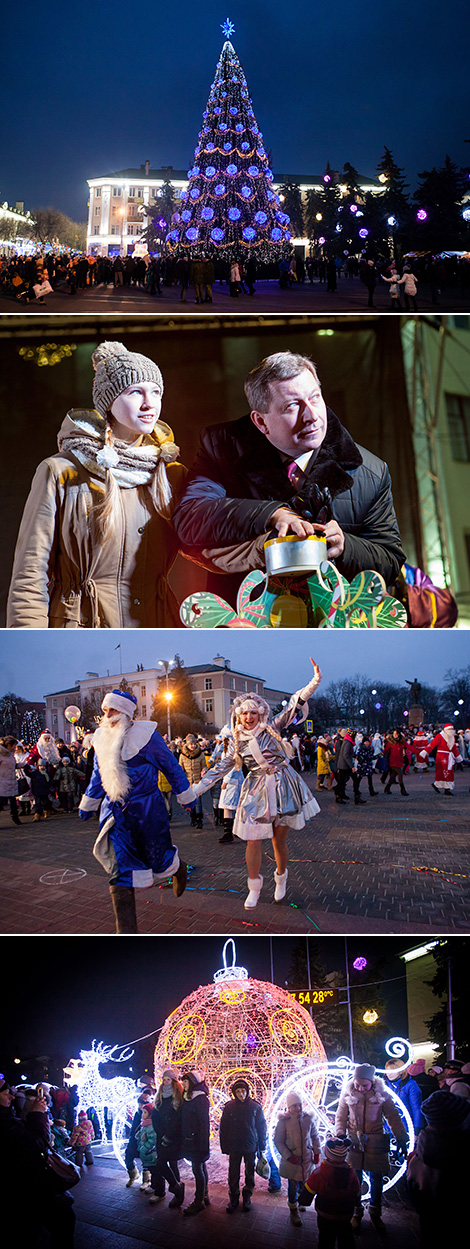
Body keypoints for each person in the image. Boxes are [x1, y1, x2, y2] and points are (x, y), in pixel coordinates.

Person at [173, 351, 405, 609]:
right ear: (261, 422)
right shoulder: (221, 447)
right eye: (292, 406)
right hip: (247, 623)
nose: (312, 416)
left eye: (315, 398)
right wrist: (272, 514)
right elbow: (190, 518)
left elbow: (390, 559)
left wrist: (346, 547)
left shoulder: (371, 471)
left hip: (334, 626)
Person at [7, 340, 187, 628]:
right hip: (79, 627)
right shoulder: (62, 471)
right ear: (109, 403)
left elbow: (210, 544)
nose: (148, 403)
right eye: (134, 392)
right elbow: (31, 572)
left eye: (156, 392)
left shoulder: (171, 474)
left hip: (157, 624)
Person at [191, 661, 322, 908]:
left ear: (260, 713)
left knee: (278, 841)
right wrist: (195, 790)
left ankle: (281, 879)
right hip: (255, 790)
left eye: (253, 713)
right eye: (245, 713)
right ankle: (254, 887)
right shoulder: (236, 740)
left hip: (283, 786)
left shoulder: (272, 727)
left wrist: (314, 681)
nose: (249, 717)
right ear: (238, 715)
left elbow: (295, 702)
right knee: (253, 840)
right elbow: (220, 767)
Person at [78, 689, 196, 933]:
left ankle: (177, 867)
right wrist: (88, 802)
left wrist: (186, 796)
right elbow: (98, 775)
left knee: (156, 858)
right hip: (115, 812)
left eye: (114, 710)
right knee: (120, 869)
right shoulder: (101, 738)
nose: (108, 715)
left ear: (127, 713)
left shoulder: (147, 736)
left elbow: (171, 767)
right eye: (106, 710)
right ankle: (127, 930)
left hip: (147, 809)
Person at [0, 1078, 76, 1249]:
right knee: (60, 1224)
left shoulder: (8, 1119)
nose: (11, 1098)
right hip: (28, 1188)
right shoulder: (5, 1123)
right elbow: (36, 1143)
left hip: (28, 1188)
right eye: (6, 1094)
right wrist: (37, 1115)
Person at [335, 1062, 408, 1235]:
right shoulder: (348, 1093)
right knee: (355, 1180)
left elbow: (393, 1116)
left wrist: (401, 1138)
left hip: (375, 1143)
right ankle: (356, 1212)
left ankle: (375, 1213)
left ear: (372, 1082)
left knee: (376, 1179)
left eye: (364, 1085)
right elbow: (340, 1116)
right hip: (354, 1143)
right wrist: (340, 1134)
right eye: (357, 1084)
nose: (360, 1088)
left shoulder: (381, 1094)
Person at [406, 1089, 470, 1249]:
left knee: (428, 1232)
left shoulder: (425, 1140)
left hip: (424, 1197)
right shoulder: (456, 1144)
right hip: (445, 1201)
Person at [299, 1136, 360, 1248]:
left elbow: (309, 1190)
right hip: (346, 1212)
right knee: (346, 1238)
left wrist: (303, 1200)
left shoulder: (319, 1173)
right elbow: (356, 1191)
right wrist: (356, 1203)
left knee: (325, 1238)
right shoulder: (352, 1174)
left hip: (325, 1212)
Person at [219, 1077, 267, 1213]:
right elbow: (224, 1127)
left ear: (247, 1091)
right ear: (234, 1093)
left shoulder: (255, 1107)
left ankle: (247, 1196)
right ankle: (233, 1198)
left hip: (250, 1146)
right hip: (234, 1146)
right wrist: (225, 1146)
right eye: (238, 1091)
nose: (241, 1094)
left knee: (249, 1173)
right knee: (233, 1174)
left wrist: (262, 1146)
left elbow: (261, 1128)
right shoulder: (229, 1107)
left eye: (243, 1091)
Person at [274, 1089, 321, 1226]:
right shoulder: (284, 1122)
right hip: (292, 1161)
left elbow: (315, 1136)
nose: (298, 1108)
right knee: (292, 1185)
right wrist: (289, 1156)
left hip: (306, 1159)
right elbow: (278, 1141)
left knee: (304, 1182)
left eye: (299, 1105)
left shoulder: (307, 1119)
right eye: (294, 1106)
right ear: (289, 1107)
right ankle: (293, 1208)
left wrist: (316, 1152)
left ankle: (302, 1202)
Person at [149, 1069, 184, 1208]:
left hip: (173, 1138)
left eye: (168, 1079)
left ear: (174, 1081)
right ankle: (176, 1187)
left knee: (172, 1164)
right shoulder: (160, 1096)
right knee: (161, 1163)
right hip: (161, 1137)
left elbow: (178, 1120)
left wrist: (170, 1135)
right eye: (164, 1079)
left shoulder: (179, 1097)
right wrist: (161, 1133)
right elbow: (155, 1117)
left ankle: (177, 1191)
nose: (165, 1082)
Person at [181, 1070, 210, 1216]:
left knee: (197, 1169)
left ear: (191, 1082)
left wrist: (201, 1144)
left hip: (198, 1141)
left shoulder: (199, 1099)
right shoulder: (189, 1097)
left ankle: (199, 1201)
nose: (183, 1084)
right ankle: (204, 1195)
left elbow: (204, 1123)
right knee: (200, 1167)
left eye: (185, 1082)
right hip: (192, 1140)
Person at [419, 724, 462, 794]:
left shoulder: (452, 737)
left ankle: (438, 785)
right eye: (449, 729)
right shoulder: (440, 736)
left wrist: (458, 758)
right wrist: (425, 752)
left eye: (452, 729)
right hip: (441, 757)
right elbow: (432, 744)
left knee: (447, 772)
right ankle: (446, 788)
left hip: (449, 757)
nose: (451, 731)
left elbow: (454, 748)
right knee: (444, 772)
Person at [384, 1059, 424, 1134]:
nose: (389, 1074)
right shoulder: (384, 1085)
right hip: (388, 1129)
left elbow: (416, 1108)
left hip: (406, 1128)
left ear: (401, 1071)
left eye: (392, 1071)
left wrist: (417, 1130)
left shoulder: (410, 1085)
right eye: (387, 1071)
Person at [125, 1089, 154, 1187]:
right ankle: (133, 1174)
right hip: (135, 1140)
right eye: (139, 1104)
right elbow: (134, 1127)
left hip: (145, 1141)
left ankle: (146, 1180)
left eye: (143, 1104)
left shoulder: (150, 1114)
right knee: (128, 1156)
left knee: (146, 1160)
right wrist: (131, 1138)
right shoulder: (138, 1113)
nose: (141, 1106)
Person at [178, 734, 206, 829]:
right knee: (191, 801)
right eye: (191, 744)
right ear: (187, 745)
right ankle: (193, 817)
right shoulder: (182, 756)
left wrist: (204, 770)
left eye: (194, 744)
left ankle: (199, 820)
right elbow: (180, 768)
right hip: (188, 782)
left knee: (198, 801)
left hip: (198, 781)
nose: (193, 746)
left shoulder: (200, 754)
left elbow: (204, 765)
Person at [0, 735, 21, 825]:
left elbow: (13, 765)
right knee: (1, 803)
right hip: (2, 781)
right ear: (8, 745)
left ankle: (15, 817)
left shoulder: (11, 754)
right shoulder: (1, 754)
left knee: (13, 801)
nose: (15, 748)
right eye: (14, 746)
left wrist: (22, 765)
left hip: (11, 780)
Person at [384, 729, 409, 796]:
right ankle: (402, 790)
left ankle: (387, 787)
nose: (394, 735)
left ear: (398, 734)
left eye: (396, 734)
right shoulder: (390, 742)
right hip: (393, 760)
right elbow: (386, 750)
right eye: (394, 734)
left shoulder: (401, 742)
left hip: (399, 760)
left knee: (393, 775)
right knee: (400, 774)